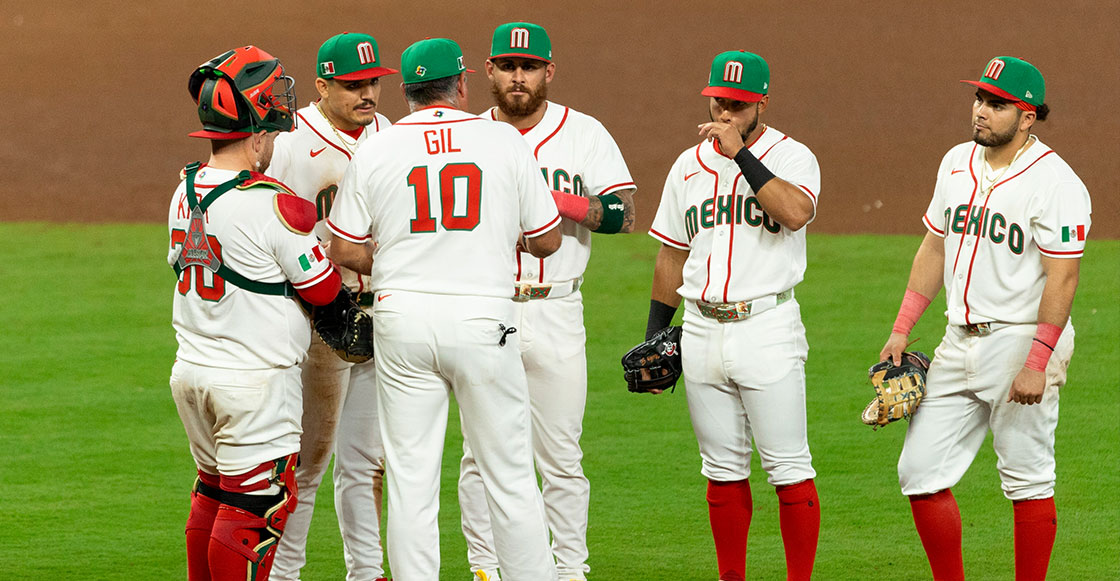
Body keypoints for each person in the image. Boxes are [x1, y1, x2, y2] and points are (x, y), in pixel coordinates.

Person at [327, 38, 561, 581]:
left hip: (402, 319)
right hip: (483, 319)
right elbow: (548, 240)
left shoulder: (378, 148)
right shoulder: (502, 140)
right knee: (509, 475)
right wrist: (495, 239)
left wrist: (396, 258)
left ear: (407, 92)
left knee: (410, 480)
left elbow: (342, 247)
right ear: (461, 85)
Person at [879, 56, 1090, 581]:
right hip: (957, 342)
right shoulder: (956, 161)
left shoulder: (1057, 182)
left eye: (997, 104)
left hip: (1020, 342)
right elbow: (934, 247)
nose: (981, 110)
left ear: (1027, 117)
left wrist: (1037, 362)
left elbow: (1063, 278)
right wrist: (902, 328)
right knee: (919, 472)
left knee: (1027, 480)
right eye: (979, 98)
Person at [456, 21, 637, 581]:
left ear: (548, 72)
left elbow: (623, 214)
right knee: (479, 455)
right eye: (508, 66)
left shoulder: (584, 133)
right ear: (489, 70)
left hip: (556, 308)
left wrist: (550, 198)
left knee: (561, 456)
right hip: (487, 308)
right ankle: (486, 569)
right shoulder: (467, 136)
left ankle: (569, 570)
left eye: (529, 67)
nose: (519, 77)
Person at [644, 51, 821, 581]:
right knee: (721, 470)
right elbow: (672, 254)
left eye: (738, 105)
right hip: (700, 329)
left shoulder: (793, 157)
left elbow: (795, 213)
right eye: (719, 101)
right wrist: (656, 335)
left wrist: (740, 154)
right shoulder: (687, 165)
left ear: (762, 102)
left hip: (766, 327)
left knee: (788, 468)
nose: (725, 112)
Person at [168, 46, 342, 581]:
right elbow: (323, 289)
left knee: (214, 493)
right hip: (254, 384)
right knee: (253, 513)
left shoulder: (183, 190)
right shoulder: (272, 203)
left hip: (192, 373)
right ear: (259, 134)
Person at [266, 32, 397, 581]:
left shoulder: (390, 135)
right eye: (352, 85)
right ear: (321, 86)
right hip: (317, 320)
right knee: (308, 462)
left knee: (368, 461)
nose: (367, 94)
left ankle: (367, 571)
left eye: (373, 82)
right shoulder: (288, 143)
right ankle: (284, 574)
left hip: (382, 314)